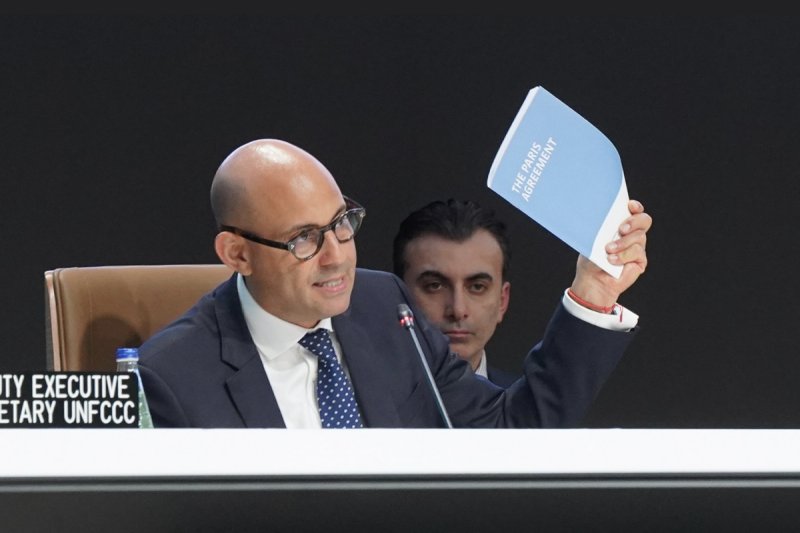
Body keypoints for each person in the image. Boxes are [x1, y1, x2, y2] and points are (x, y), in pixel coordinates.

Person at [137, 138, 652, 429]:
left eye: (342, 223)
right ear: (238, 254)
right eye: (304, 240)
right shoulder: (173, 378)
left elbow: (507, 432)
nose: (338, 257)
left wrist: (593, 293)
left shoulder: (384, 308)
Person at [392, 198, 646, 388]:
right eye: (435, 286)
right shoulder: (357, 401)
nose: (458, 309)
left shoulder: (525, 413)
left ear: (502, 301)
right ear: (396, 296)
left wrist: (596, 289)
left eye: (477, 287)